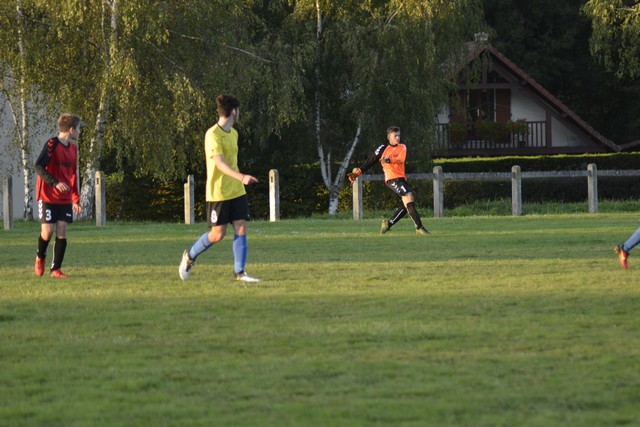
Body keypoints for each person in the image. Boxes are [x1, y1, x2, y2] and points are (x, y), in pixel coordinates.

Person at [179, 94, 260, 282]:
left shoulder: (234, 134)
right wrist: (242, 177)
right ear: (234, 111)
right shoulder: (212, 134)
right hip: (219, 192)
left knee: (241, 227)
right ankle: (190, 256)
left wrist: (239, 181)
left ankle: (240, 273)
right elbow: (220, 164)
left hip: (237, 191)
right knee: (218, 234)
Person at [348, 126, 429, 236]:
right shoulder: (383, 148)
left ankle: (388, 224)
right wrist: (358, 172)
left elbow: (401, 159)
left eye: (398, 135)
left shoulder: (402, 147)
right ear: (389, 137)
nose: (398, 138)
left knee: (407, 204)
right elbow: (371, 160)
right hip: (392, 179)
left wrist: (389, 160)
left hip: (401, 178)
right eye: (395, 136)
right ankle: (419, 227)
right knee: (408, 197)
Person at [34, 113, 83, 278]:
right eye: (78, 129)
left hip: (65, 198)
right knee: (47, 232)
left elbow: (73, 175)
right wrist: (55, 183)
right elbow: (38, 166)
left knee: (62, 230)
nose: (79, 132)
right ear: (71, 130)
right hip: (47, 195)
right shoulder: (52, 144)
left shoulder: (74, 149)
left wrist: (75, 199)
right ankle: (40, 256)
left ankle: (55, 269)